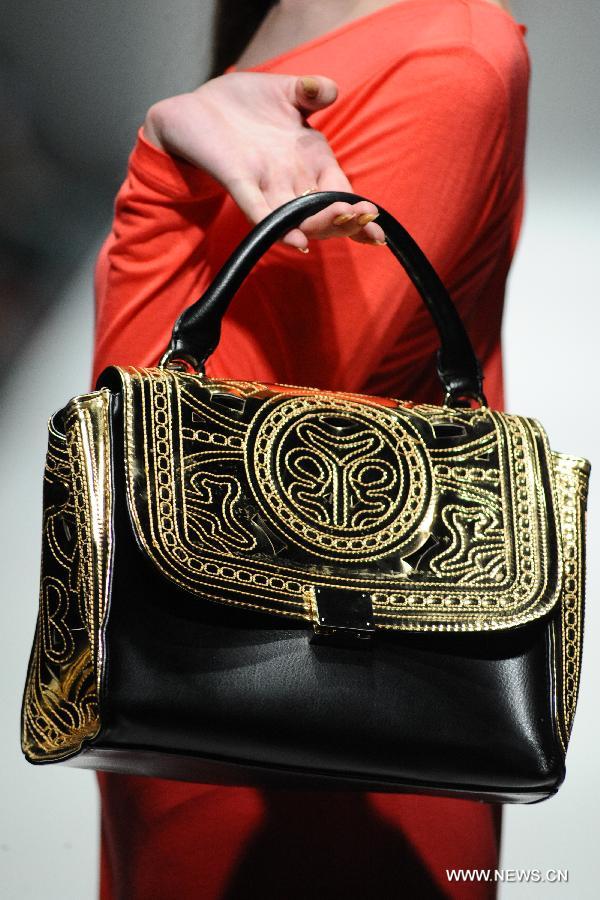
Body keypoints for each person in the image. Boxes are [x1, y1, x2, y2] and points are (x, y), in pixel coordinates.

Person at [92, 1, 529, 896]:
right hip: (224, 696)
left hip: (309, 736)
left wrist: (160, 168)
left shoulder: (442, 56)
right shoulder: (300, 29)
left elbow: (183, 458)